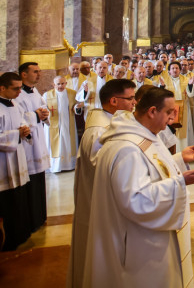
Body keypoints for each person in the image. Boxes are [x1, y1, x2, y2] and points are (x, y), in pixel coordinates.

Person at [82, 86, 194, 287]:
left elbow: (150, 168)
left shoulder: (141, 134)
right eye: (169, 112)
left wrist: (179, 159)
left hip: (143, 236)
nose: (172, 118)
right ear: (152, 111)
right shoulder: (127, 149)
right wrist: (179, 183)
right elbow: (136, 200)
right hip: (138, 246)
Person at [68, 78, 137, 288]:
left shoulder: (112, 122)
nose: (134, 103)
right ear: (114, 101)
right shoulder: (98, 131)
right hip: (100, 206)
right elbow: (102, 166)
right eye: (130, 98)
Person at [0, 71, 32, 251]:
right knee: (7, 201)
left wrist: (25, 131)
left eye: (21, 88)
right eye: (16, 88)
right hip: (3, 163)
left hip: (18, 157)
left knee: (19, 197)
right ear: (2, 88)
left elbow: (22, 124)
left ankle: (22, 233)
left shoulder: (15, 104)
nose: (20, 92)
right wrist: (16, 134)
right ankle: (9, 240)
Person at [18, 61, 49, 231]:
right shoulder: (18, 94)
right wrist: (36, 115)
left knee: (39, 179)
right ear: (24, 74)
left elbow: (41, 107)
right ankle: (32, 218)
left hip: (39, 139)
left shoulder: (34, 90)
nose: (39, 74)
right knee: (30, 181)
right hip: (27, 143)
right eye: (35, 71)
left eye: (39, 71)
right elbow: (17, 117)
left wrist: (44, 113)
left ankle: (40, 216)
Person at [158, 61, 194, 150]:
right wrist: (162, 87)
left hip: (184, 109)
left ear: (180, 70)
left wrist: (190, 85)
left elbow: (191, 94)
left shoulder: (186, 79)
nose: (175, 70)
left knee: (184, 131)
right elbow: (160, 96)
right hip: (170, 110)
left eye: (177, 68)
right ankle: (173, 151)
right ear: (169, 71)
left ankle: (184, 150)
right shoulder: (164, 80)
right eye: (172, 68)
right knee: (172, 131)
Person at [43, 75, 77, 173]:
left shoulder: (72, 93)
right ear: (53, 84)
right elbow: (43, 107)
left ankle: (69, 165)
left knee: (67, 141)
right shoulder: (47, 95)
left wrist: (77, 107)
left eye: (63, 83)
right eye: (58, 84)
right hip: (52, 124)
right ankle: (54, 166)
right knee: (54, 144)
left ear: (66, 83)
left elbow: (76, 106)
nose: (61, 86)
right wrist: (47, 112)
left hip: (68, 123)